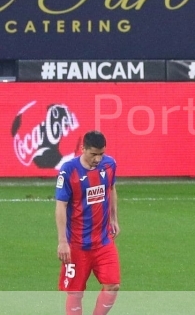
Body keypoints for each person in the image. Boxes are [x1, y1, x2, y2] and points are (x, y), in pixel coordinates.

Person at [55, 130, 120, 315]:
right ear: (83, 149)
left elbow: (112, 188)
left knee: (113, 286)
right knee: (75, 292)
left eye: (101, 154)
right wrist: (62, 241)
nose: (98, 159)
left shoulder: (110, 164)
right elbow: (61, 206)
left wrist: (114, 218)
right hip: (76, 244)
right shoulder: (69, 170)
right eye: (93, 154)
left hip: (103, 241)